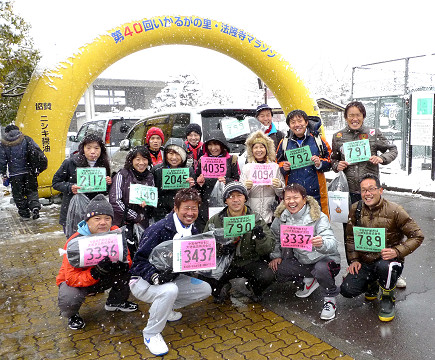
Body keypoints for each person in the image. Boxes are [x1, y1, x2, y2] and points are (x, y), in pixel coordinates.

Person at [129, 188, 212, 356]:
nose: (190, 213)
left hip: (171, 278)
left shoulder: (193, 231)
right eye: (186, 208)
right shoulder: (158, 230)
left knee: (205, 289)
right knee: (170, 290)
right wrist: (155, 276)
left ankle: (164, 309)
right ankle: (151, 333)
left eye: (194, 208)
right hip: (142, 281)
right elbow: (138, 262)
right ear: (176, 208)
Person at [340, 174, 424, 321]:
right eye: (364, 190)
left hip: (388, 262)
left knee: (385, 267)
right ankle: (372, 283)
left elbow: (417, 236)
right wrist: (354, 260)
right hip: (366, 261)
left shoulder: (395, 210)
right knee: (347, 290)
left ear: (380, 190)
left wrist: (397, 251)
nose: (368, 193)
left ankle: (387, 298)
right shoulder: (355, 208)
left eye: (372, 189)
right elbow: (351, 237)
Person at [56, 194, 138, 330]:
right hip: (78, 282)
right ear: (87, 221)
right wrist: (95, 272)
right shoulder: (74, 242)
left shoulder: (116, 234)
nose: (103, 222)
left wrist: (124, 265)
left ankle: (115, 302)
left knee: (129, 272)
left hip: (104, 277)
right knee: (70, 294)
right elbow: (71, 278)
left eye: (107, 218)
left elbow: (127, 259)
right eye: (97, 219)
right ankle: (72, 314)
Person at [269, 183, 341, 320]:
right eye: (287, 198)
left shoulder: (318, 216)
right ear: (283, 201)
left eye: (295, 197)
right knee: (277, 268)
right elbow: (275, 238)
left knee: (321, 269)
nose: (291, 201)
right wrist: (276, 256)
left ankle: (330, 298)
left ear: (304, 199)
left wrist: (322, 243)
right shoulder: (281, 217)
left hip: (324, 259)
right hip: (302, 260)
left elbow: (332, 244)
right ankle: (310, 280)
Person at [203, 181, 275, 303]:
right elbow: (205, 246)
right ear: (225, 200)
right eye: (231, 196)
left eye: (239, 195)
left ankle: (254, 287)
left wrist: (260, 238)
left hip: (250, 261)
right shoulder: (215, 220)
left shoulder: (255, 218)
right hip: (225, 263)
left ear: (245, 198)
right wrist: (220, 249)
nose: (235, 200)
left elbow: (268, 248)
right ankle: (222, 287)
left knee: (267, 275)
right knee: (206, 278)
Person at [52, 133, 112, 236]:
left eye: (96, 148)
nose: (93, 152)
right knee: (74, 243)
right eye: (88, 148)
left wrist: (108, 183)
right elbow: (56, 182)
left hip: (94, 214)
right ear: (83, 148)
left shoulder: (103, 164)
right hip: (73, 210)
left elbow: (104, 191)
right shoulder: (70, 163)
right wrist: (70, 187)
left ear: (101, 149)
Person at [276, 110, 332, 217]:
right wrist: (284, 167)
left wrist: (320, 163)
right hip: (293, 193)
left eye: (299, 121)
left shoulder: (318, 140)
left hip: (316, 192)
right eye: (293, 122)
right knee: (296, 225)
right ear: (289, 125)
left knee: (319, 222)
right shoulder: (284, 143)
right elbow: (276, 163)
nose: (297, 124)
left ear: (306, 122)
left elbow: (330, 160)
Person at [109, 146, 155, 257]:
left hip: (143, 223)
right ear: (131, 160)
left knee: (141, 253)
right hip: (122, 223)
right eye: (137, 159)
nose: (141, 163)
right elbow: (115, 201)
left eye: (144, 159)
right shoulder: (122, 175)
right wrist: (134, 216)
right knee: (125, 254)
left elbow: (152, 200)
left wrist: (147, 205)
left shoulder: (150, 176)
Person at [195, 132, 240, 232]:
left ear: (222, 145)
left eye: (216, 144)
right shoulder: (202, 160)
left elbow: (237, 181)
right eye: (210, 145)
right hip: (205, 205)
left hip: (227, 203)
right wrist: (199, 183)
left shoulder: (232, 160)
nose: (213, 148)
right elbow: (195, 184)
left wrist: (227, 181)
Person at [240, 130, 285, 225]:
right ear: (251, 150)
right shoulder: (247, 168)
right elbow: (241, 194)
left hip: (270, 213)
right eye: (255, 147)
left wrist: (279, 185)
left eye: (261, 147)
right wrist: (245, 187)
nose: (259, 150)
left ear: (267, 149)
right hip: (251, 214)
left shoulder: (274, 167)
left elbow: (282, 194)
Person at [0, 125, 42, 220]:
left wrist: (3, 173)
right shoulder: (26, 139)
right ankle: (34, 207)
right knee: (32, 191)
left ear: (6, 132)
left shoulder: (4, 143)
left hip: (15, 174)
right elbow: (36, 152)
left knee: (18, 194)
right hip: (29, 172)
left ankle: (24, 214)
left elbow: (2, 160)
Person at [151, 138, 195, 222]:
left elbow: (194, 196)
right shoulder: (156, 170)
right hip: (160, 213)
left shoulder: (189, 171)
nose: (174, 157)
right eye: (170, 154)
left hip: (182, 213)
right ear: (166, 155)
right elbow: (152, 193)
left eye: (178, 154)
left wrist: (190, 187)